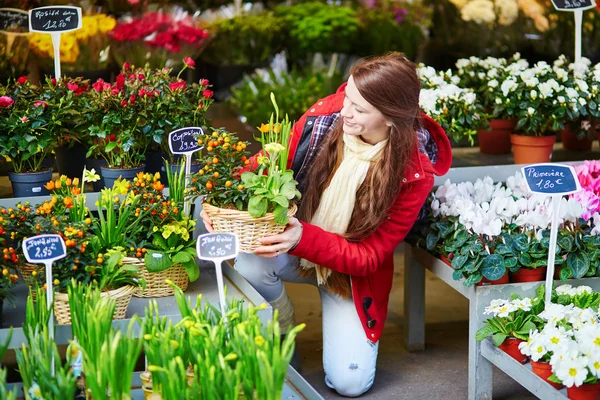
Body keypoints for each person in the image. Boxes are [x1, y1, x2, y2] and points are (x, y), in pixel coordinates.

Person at [200, 53, 452, 397]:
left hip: (347, 275)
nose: (345, 111)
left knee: (350, 383)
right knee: (251, 258)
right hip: (292, 247)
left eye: (360, 109)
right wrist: (222, 199)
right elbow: (263, 167)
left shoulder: (411, 172)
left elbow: (369, 257)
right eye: (347, 96)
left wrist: (302, 237)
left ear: (392, 119)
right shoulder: (324, 118)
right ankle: (281, 329)